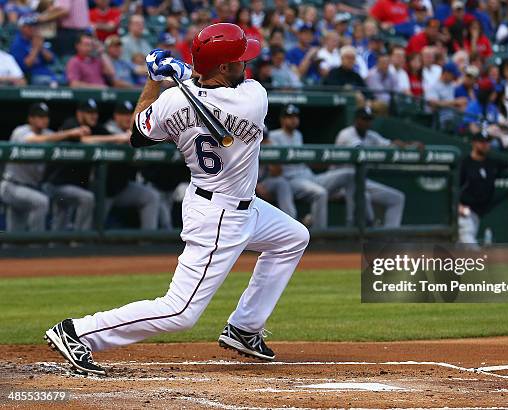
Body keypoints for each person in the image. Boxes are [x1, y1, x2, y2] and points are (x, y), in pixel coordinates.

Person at [44, 23, 309, 375]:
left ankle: (244, 328)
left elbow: (138, 133)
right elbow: (208, 87)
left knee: (293, 237)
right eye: (239, 60)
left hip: (242, 205)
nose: (246, 65)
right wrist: (182, 74)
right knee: (180, 311)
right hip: (218, 216)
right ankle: (78, 332)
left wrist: (155, 80)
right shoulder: (253, 97)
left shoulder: (173, 101)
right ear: (226, 67)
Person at [0, 103, 89, 232]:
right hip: (12, 186)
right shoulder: (21, 131)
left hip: (31, 187)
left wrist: (75, 134)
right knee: (41, 202)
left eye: (45, 116)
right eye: (38, 116)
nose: (43, 119)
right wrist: (68, 133)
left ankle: (22, 247)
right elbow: (34, 140)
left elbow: (61, 139)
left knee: (15, 233)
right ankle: (37, 245)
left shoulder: (49, 133)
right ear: (30, 119)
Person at [44, 99, 127, 231]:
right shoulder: (71, 124)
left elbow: (117, 138)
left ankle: (62, 244)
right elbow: (85, 140)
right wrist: (117, 138)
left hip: (74, 185)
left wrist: (124, 136)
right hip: (56, 184)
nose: (93, 115)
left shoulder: (96, 128)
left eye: (95, 112)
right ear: (79, 114)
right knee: (86, 199)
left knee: (61, 221)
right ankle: (79, 238)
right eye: (89, 112)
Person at [268, 104, 355, 229]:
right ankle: (319, 235)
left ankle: (352, 224)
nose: (293, 119)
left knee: (348, 174)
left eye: (295, 116)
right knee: (320, 193)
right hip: (292, 180)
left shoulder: (298, 135)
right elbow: (274, 166)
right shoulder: (274, 136)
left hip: (309, 176)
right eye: (289, 116)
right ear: (282, 119)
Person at [334, 107, 408, 227]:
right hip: (341, 183)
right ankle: (364, 232)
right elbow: (360, 151)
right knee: (365, 197)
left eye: (369, 119)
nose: (367, 123)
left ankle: (389, 238)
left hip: (361, 182)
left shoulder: (371, 136)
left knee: (397, 198)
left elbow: (390, 144)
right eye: (364, 119)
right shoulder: (346, 134)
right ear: (356, 120)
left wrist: (408, 145)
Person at [458, 131, 508, 245]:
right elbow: (454, 186)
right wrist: (459, 206)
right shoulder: (465, 163)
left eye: (487, 142)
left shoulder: (491, 162)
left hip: (480, 211)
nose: (486, 145)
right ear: (474, 143)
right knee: (468, 240)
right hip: (466, 210)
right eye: (482, 142)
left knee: (461, 245)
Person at [103, 101, 161, 230]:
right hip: (102, 189)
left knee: (151, 196)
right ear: (115, 116)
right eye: (123, 114)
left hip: (122, 187)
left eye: (129, 114)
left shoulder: (134, 131)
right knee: (95, 225)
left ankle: (148, 241)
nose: (127, 117)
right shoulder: (105, 129)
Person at [10, 15, 56, 86]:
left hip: (48, 73)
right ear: (22, 28)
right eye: (30, 26)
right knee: (47, 81)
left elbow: (52, 60)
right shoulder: (17, 44)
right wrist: (35, 48)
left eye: (35, 26)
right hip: (31, 75)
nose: (33, 29)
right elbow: (24, 66)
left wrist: (41, 48)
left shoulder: (39, 39)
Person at [425, 61, 462, 131]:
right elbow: (432, 103)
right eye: (453, 75)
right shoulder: (434, 86)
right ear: (446, 73)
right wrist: (455, 102)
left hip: (452, 118)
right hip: (439, 122)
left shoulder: (451, 84)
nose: (454, 77)